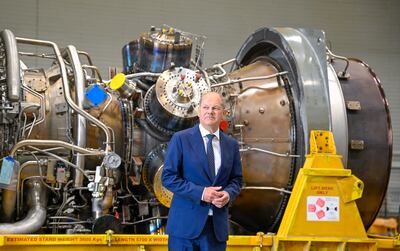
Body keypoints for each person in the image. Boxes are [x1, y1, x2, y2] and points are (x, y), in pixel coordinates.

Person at [162, 91, 243, 251]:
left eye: (215, 108)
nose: (210, 112)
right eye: (205, 107)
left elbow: (237, 180)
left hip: (215, 230)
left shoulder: (231, 145)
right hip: (184, 228)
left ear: (223, 113)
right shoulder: (181, 139)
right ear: (198, 111)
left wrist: (228, 194)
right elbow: (168, 177)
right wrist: (201, 193)